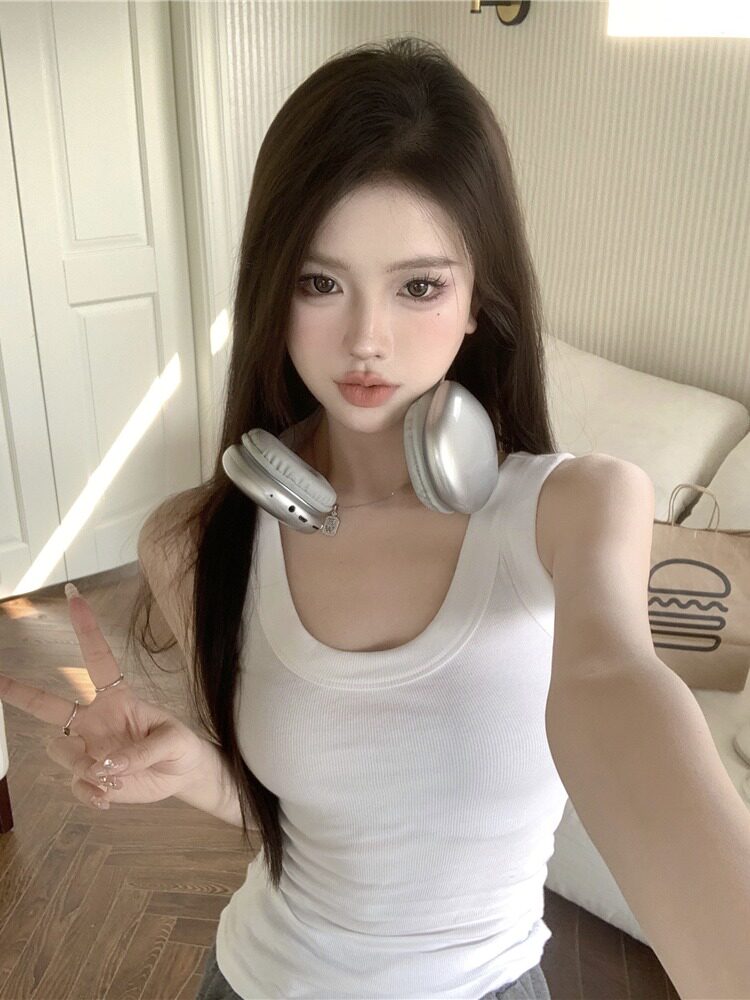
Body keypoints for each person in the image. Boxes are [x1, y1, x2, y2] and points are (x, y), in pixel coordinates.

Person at [3, 35, 747, 1000]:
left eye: (419, 286)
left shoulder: (578, 507)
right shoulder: (197, 539)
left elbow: (613, 686)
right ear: (272, 292)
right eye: (320, 283)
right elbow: (307, 823)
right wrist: (192, 768)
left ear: (478, 301)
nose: (365, 338)